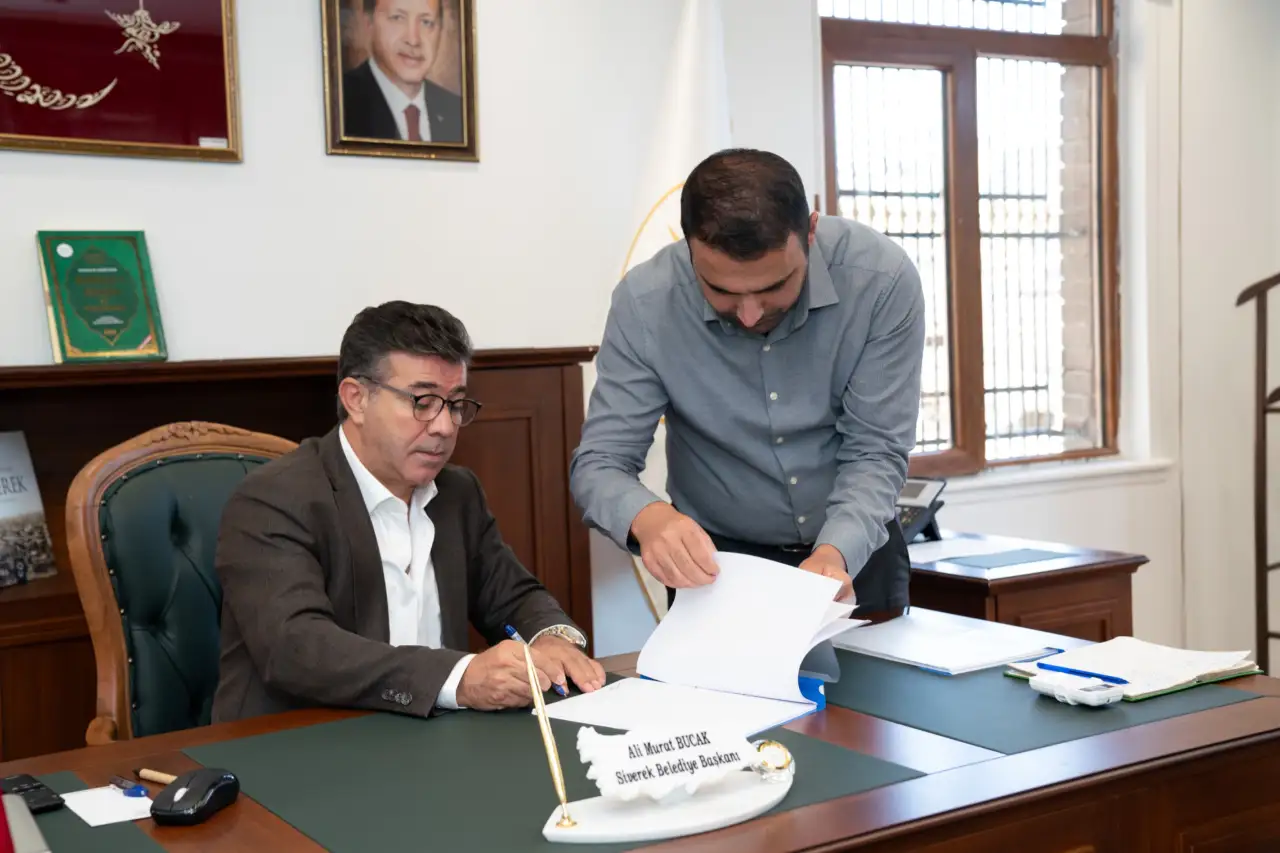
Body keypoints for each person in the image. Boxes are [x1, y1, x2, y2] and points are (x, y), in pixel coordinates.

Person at [570, 148, 925, 615]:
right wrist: (649, 518)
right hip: (717, 572)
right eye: (720, 291)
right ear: (688, 245)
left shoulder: (880, 281)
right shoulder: (646, 303)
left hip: (856, 556)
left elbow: (875, 450)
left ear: (811, 232)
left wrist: (834, 552)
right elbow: (600, 463)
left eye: (774, 287)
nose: (750, 314)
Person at [212, 301, 604, 723]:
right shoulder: (273, 499)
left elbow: (513, 596)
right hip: (295, 741)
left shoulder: (457, 493)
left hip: (432, 737)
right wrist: (459, 678)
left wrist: (550, 637)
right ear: (356, 399)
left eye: (455, 403)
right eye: (423, 401)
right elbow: (296, 648)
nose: (445, 426)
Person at [342, 0, 463, 143]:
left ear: (440, 30)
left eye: (426, 22)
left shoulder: (458, 112)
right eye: (398, 18)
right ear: (369, 23)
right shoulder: (340, 103)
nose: (413, 40)